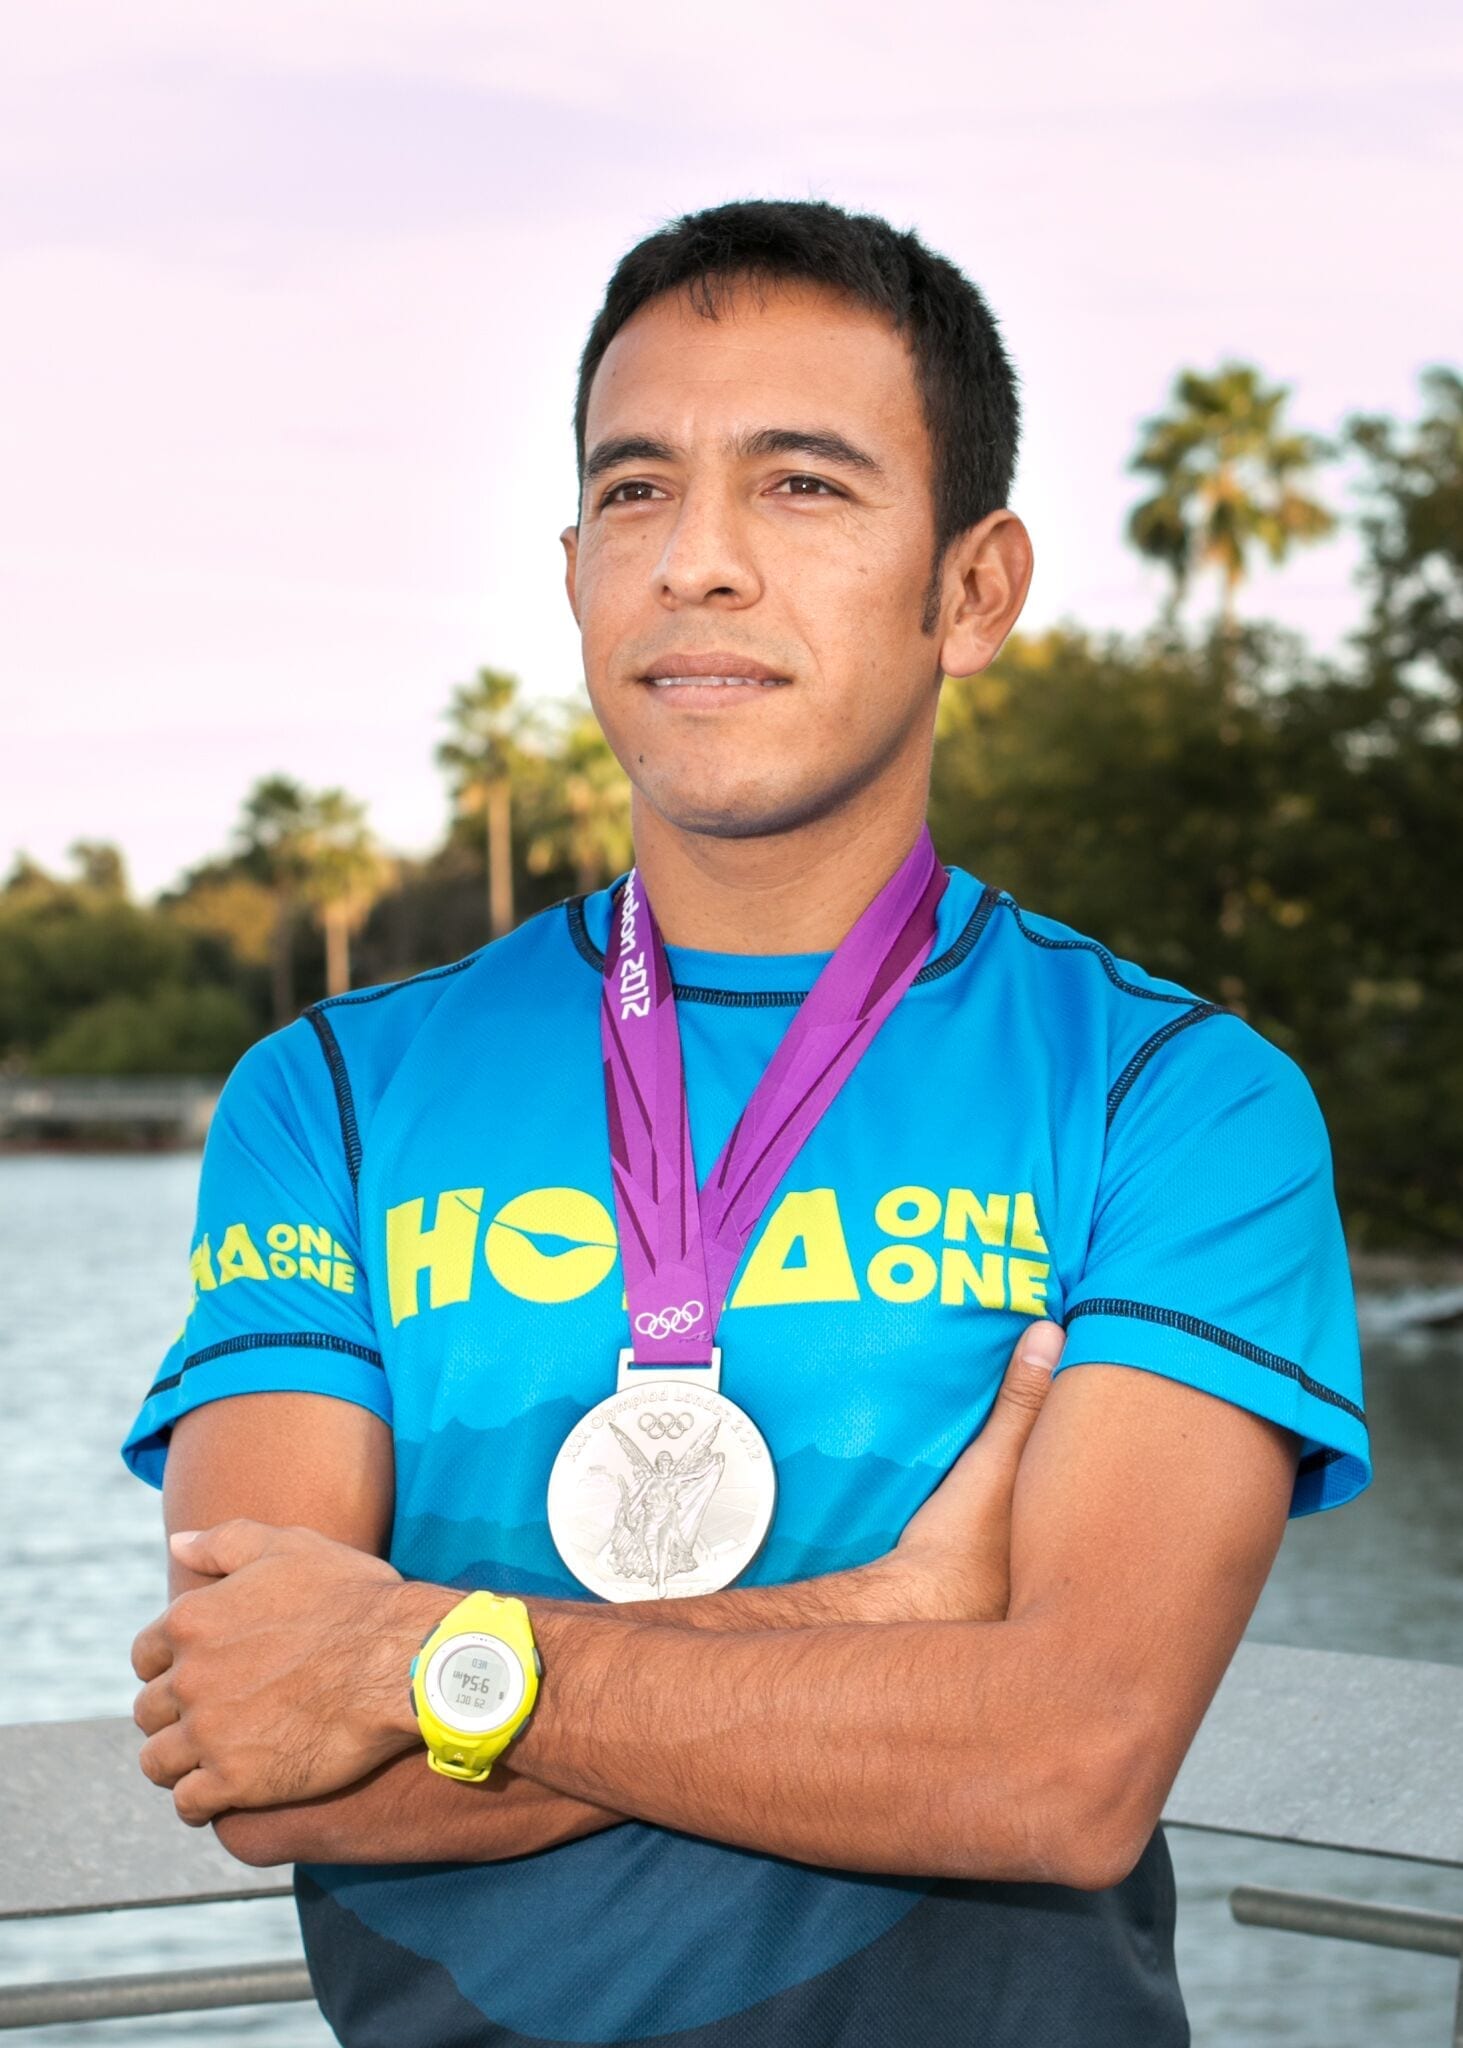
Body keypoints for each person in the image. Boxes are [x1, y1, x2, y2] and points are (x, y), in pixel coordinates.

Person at [122, 198, 1370, 2048]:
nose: (696, 562)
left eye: (801, 484)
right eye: (636, 491)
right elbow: (267, 1758)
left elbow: (1063, 1766)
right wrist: (886, 1627)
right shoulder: (333, 1097)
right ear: (570, 576)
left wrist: (409, 1657)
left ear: (974, 589)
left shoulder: (1173, 1100)